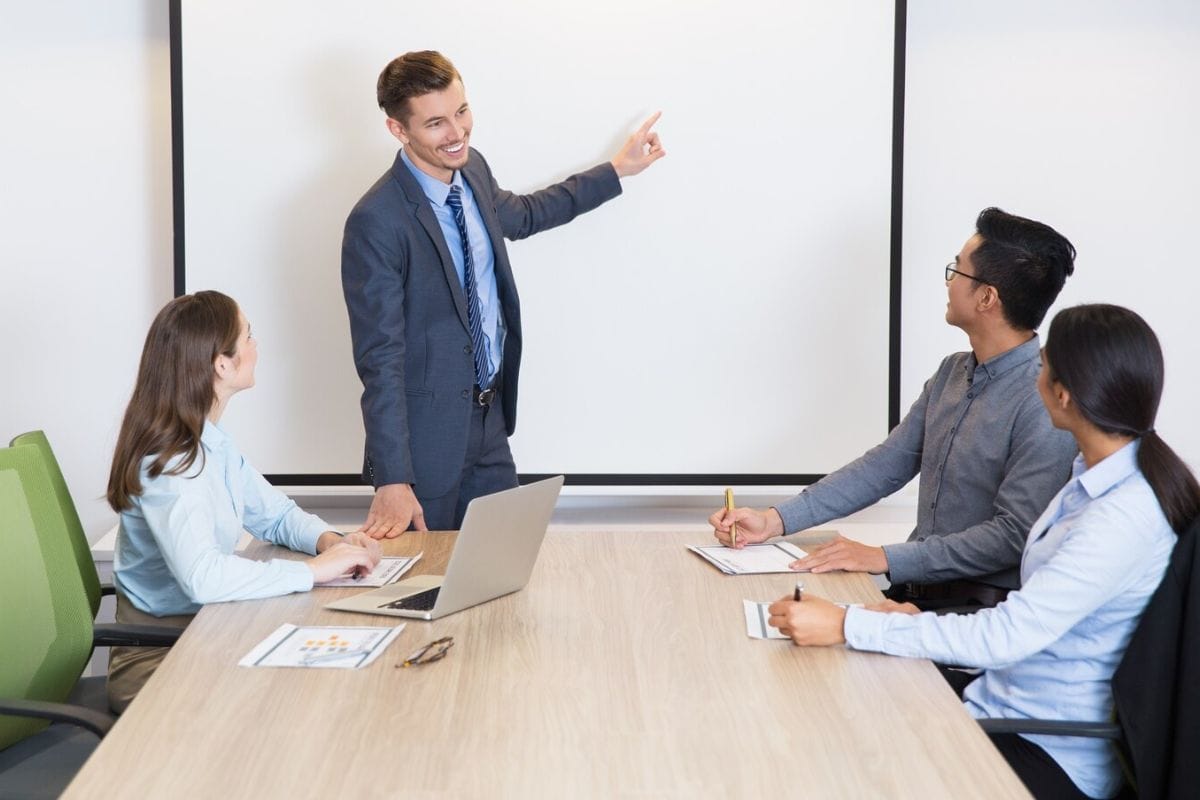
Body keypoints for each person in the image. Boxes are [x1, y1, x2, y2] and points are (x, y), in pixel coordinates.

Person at [767, 304, 1199, 799]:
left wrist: (847, 623)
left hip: (1042, 744)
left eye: (1043, 365)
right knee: (834, 695)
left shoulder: (1120, 517)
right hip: (999, 700)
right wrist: (902, 624)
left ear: (1061, 393)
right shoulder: (1093, 478)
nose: (1035, 373)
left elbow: (1009, 635)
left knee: (841, 748)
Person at [342, 50, 665, 535]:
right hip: (424, 445)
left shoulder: (473, 173)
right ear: (398, 129)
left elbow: (528, 213)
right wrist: (393, 477)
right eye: (436, 123)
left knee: (497, 572)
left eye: (462, 111)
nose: (457, 133)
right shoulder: (377, 221)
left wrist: (617, 170)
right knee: (424, 591)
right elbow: (380, 358)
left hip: (489, 422)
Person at [711, 208, 1078, 611]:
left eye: (957, 271)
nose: (949, 281)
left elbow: (1013, 536)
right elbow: (884, 466)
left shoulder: (1043, 399)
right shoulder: (952, 373)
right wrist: (773, 521)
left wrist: (884, 556)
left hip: (974, 614)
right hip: (908, 597)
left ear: (987, 297)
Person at [105, 291, 381, 712]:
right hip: (160, 658)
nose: (256, 347)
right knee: (296, 698)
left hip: (207, 633)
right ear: (222, 363)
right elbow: (203, 577)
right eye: (249, 337)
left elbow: (275, 515)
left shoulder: (210, 442)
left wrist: (331, 542)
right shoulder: (170, 464)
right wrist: (312, 572)